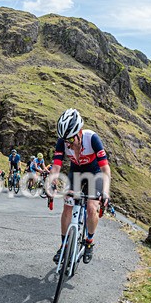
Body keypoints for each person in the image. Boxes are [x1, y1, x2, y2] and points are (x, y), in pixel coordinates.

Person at [45, 108, 111, 264]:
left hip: (94, 173)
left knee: (91, 207)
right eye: (65, 140)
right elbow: (56, 167)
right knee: (68, 205)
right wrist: (51, 184)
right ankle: (64, 245)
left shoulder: (92, 138)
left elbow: (105, 169)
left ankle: (89, 242)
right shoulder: (62, 141)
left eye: (70, 140)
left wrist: (105, 192)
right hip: (76, 172)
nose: (67, 143)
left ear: (79, 132)